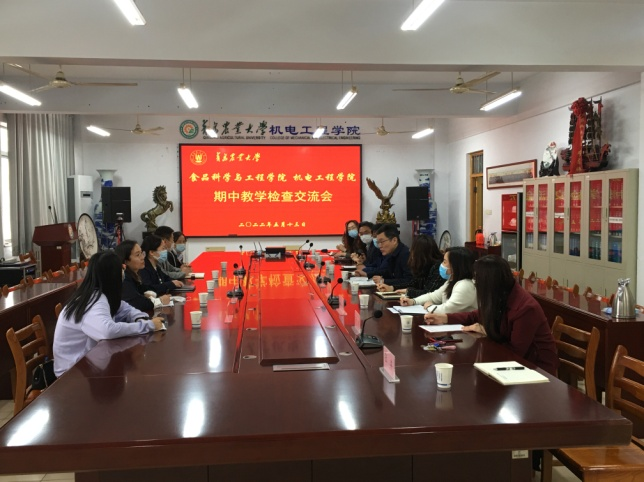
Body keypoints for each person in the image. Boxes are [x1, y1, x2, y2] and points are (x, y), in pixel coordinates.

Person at [425, 255, 558, 375]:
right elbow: (476, 315)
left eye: (477, 280)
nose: (475, 284)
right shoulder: (500, 293)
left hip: (536, 370)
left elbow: (515, 353)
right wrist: (445, 318)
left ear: (489, 282)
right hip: (507, 363)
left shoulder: (526, 308)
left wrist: (487, 333)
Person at [53, 251, 164, 377]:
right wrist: (148, 326)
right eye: (121, 268)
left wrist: (140, 318)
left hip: (88, 364)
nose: (124, 270)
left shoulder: (101, 295)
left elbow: (126, 309)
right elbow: (107, 331)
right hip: (71, 374)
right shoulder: (93, 300)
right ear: (112, 274)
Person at [400, 247, 477, 314]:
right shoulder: (451, 281)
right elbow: (433, 296)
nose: (441, 264)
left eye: (444, 261)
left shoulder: (465, 285)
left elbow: (448, 309)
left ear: (455, 266)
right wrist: (413, 301)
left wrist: (429, 307)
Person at [376, 234, 444, 297]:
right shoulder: (423, 265)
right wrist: (392, 288)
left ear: (420, 253)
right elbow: (413, 283)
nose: (411, 252)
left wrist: (408, 292)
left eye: (413, 250)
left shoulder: (438, 267)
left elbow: (429, 293)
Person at [115, 240, 172, 312]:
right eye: (137, 255)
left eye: (142, 253)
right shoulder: (124, 277)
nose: (142, 257)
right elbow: (137, 303)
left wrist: (148, 294)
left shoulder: (134, 275)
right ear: (126, 261)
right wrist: (160, 300)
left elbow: (144, 290)